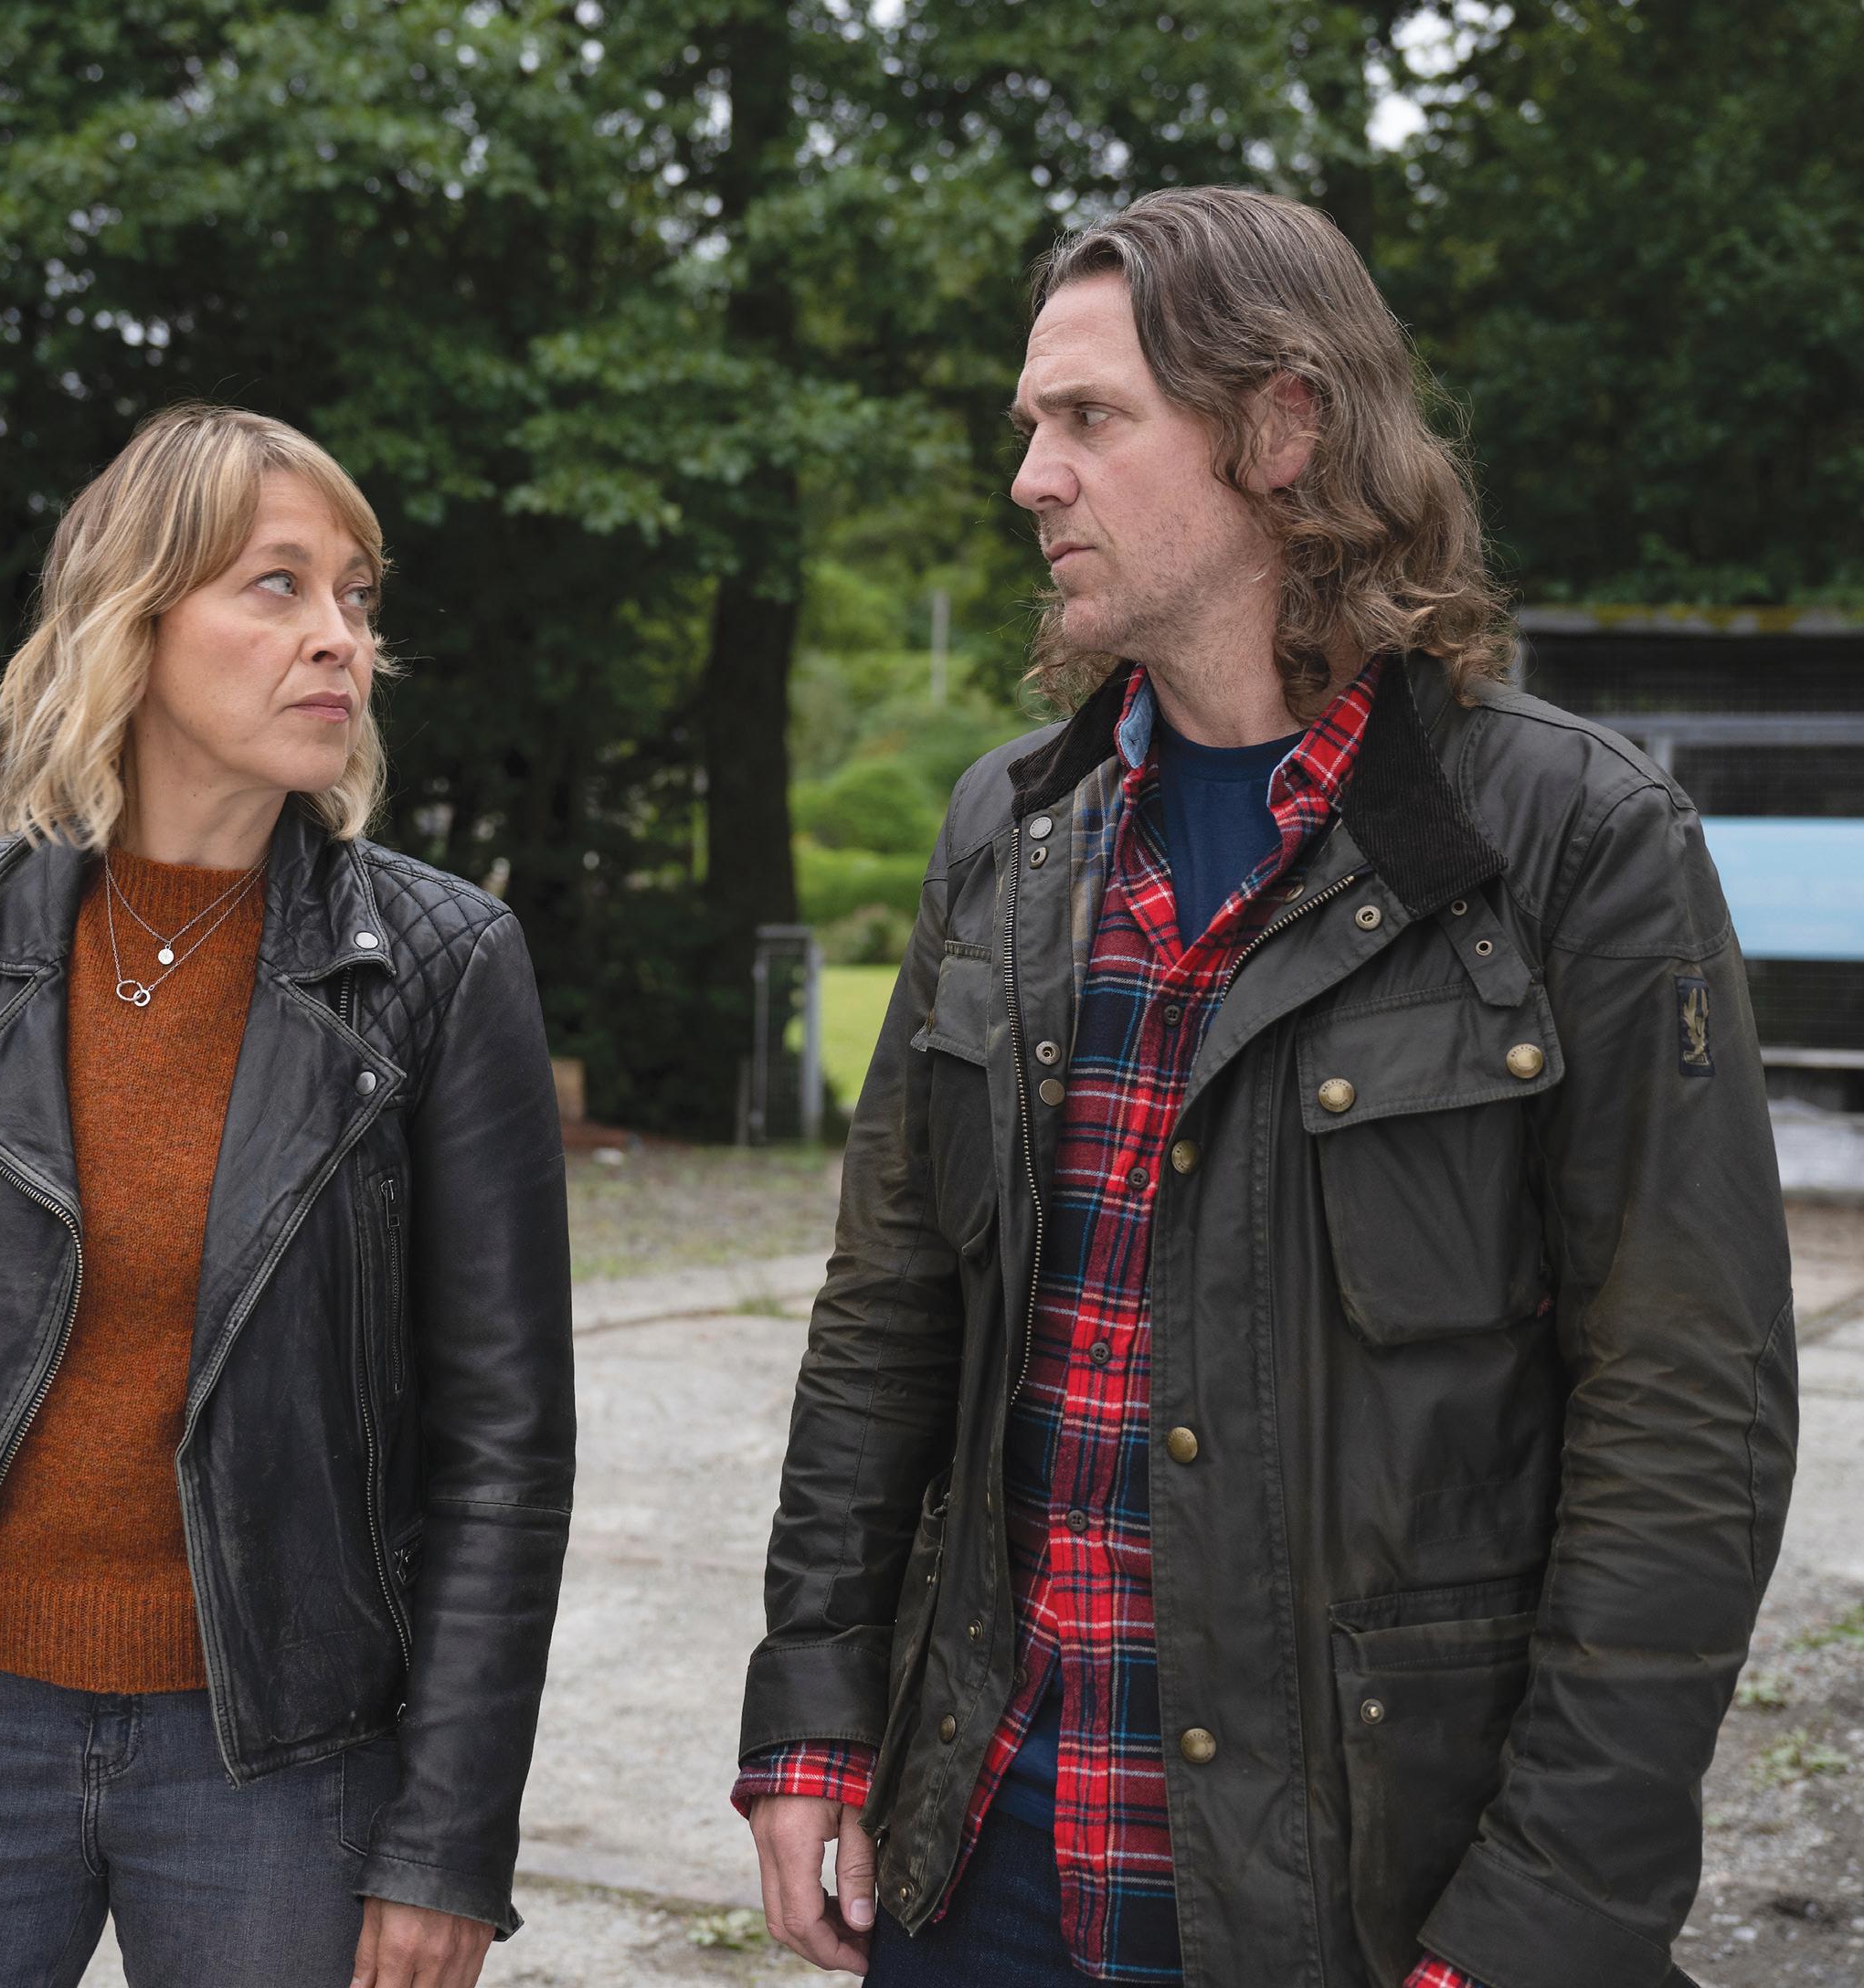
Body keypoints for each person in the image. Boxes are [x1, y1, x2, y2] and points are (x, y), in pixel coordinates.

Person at [735, 187, 1796, 1988]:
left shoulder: (1568, 843)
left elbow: (1687, 1427)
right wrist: (812, 1708)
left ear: (1281, 429)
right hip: (976, 1853)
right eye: (1029, 425)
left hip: (1357, 1896)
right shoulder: (1009, 827)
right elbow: (886, 1312)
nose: (1031, 479)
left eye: (1089, 419)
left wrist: (1544, 1921)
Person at [0, 404, 576, 1988]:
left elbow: (504, 1449)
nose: (340, 639)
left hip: (283, 1764)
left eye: (357, 595)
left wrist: (447, 1839)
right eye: (276, 585)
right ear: (134, 619)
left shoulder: (438, 964)